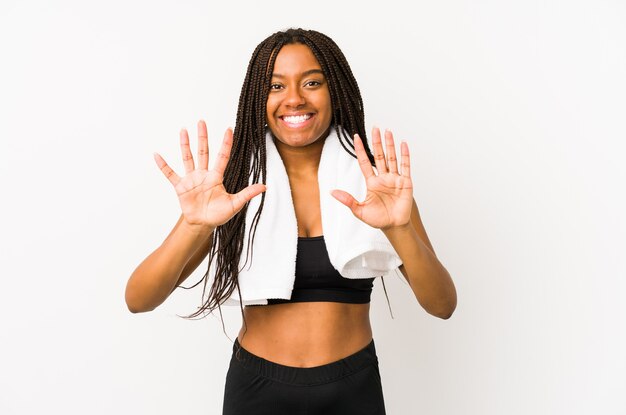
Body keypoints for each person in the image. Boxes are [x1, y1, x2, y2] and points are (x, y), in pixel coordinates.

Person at [125, 28, 457, 414]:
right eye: (276, 86)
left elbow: (442, 304)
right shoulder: (233, 189)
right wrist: (195, 225)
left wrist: (398, 229)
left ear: (336, 90)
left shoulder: (376, 185)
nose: (294, 99)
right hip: (257, 389)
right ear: (257, 98)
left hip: (352, 389)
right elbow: (138, 299)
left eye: (312, 82)